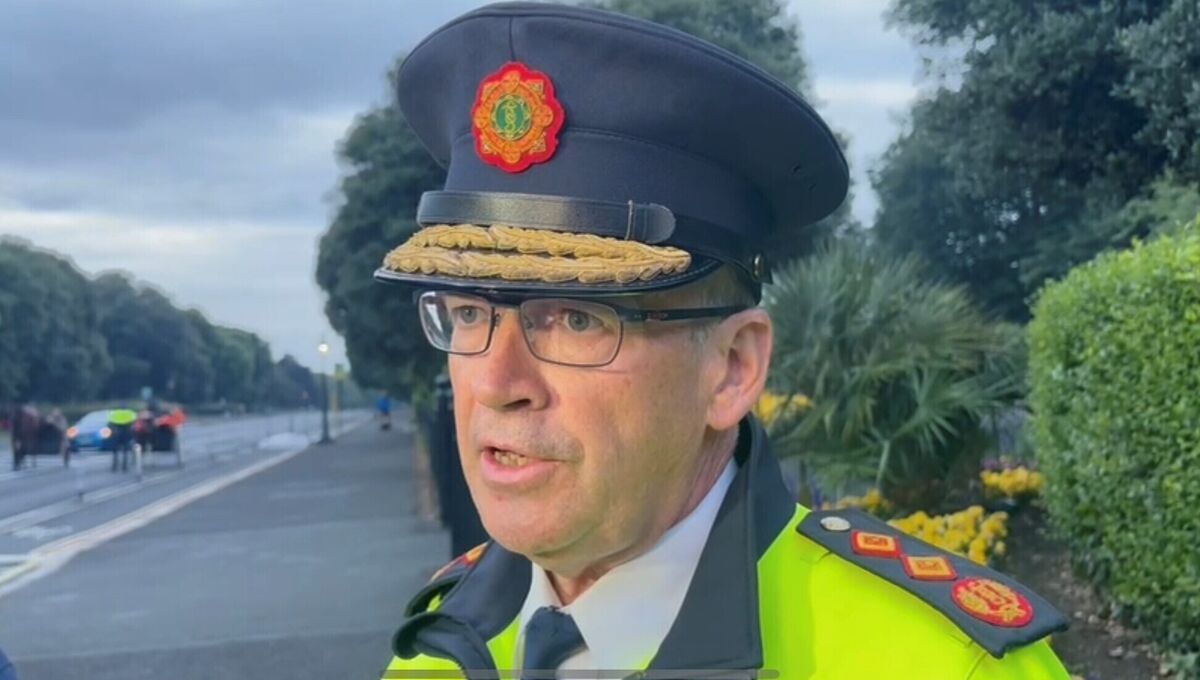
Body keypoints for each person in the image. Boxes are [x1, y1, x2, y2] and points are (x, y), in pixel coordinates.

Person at [374, 3, 1072, 678]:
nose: (496, 382)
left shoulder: (948, 665)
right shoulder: (435, 647)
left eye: (576, 318)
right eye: (468, 314)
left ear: (733, 369)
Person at [106, 407, 137, 472]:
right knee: (125, 451)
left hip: (116, 434)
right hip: (125, 434)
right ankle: (124, 467)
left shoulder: (114, 413)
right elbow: (133, 423)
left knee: (115, 452)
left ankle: (114, 467)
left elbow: (109, 424)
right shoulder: (129, 413)